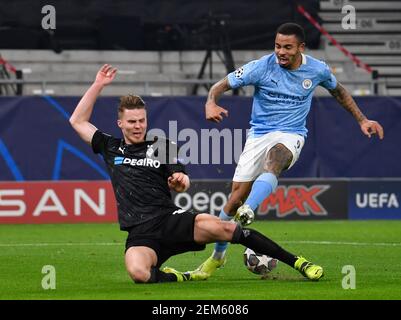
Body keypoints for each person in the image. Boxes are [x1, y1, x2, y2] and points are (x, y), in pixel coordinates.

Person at [69, 64, 326, 283]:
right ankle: (179, 277)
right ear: (120, 123)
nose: (137, 126)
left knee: (228, 230)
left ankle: (298, 263)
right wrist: (98, 85)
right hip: (140, 232)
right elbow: (77, 121)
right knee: (138, 274)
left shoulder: (161, 145)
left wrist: (180, 181)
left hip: (170, 220)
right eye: (132, 121)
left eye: (141, 121)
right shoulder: (110, 146)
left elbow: (183, 180)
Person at [195, 22, 384, 277]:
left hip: (292, 133)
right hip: (258, 135)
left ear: (300, 48)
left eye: (287, 47)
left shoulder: (317, 69)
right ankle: (217, 257)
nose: (280, 52)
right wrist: (210, 102)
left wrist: (362, 119)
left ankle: (249, 209)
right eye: (277, 46)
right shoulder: (261, 66)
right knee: (232, 201)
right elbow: (219, 85)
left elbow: (339, 92)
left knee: (276, 159)